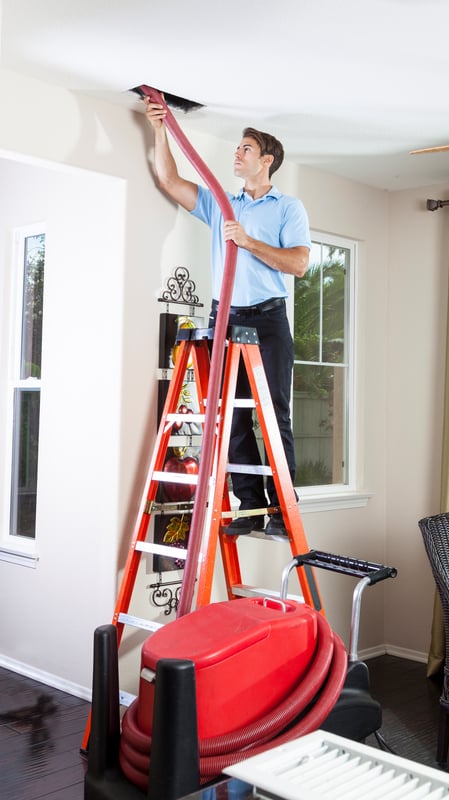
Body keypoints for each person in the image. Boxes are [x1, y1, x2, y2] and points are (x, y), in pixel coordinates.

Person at [144, 96, 310, 537]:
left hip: (268, 320)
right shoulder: (222, 202)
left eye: (246, 149)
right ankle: (250, 504)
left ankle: (281, 510)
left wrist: (248, 241)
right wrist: (160, 129)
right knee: (230, 415)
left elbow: (298, 264)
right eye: (237, 147)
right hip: (225, 319)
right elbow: (168, 178)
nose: (236, 154)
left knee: (273, 413)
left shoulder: (287, 208)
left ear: (267, 161)